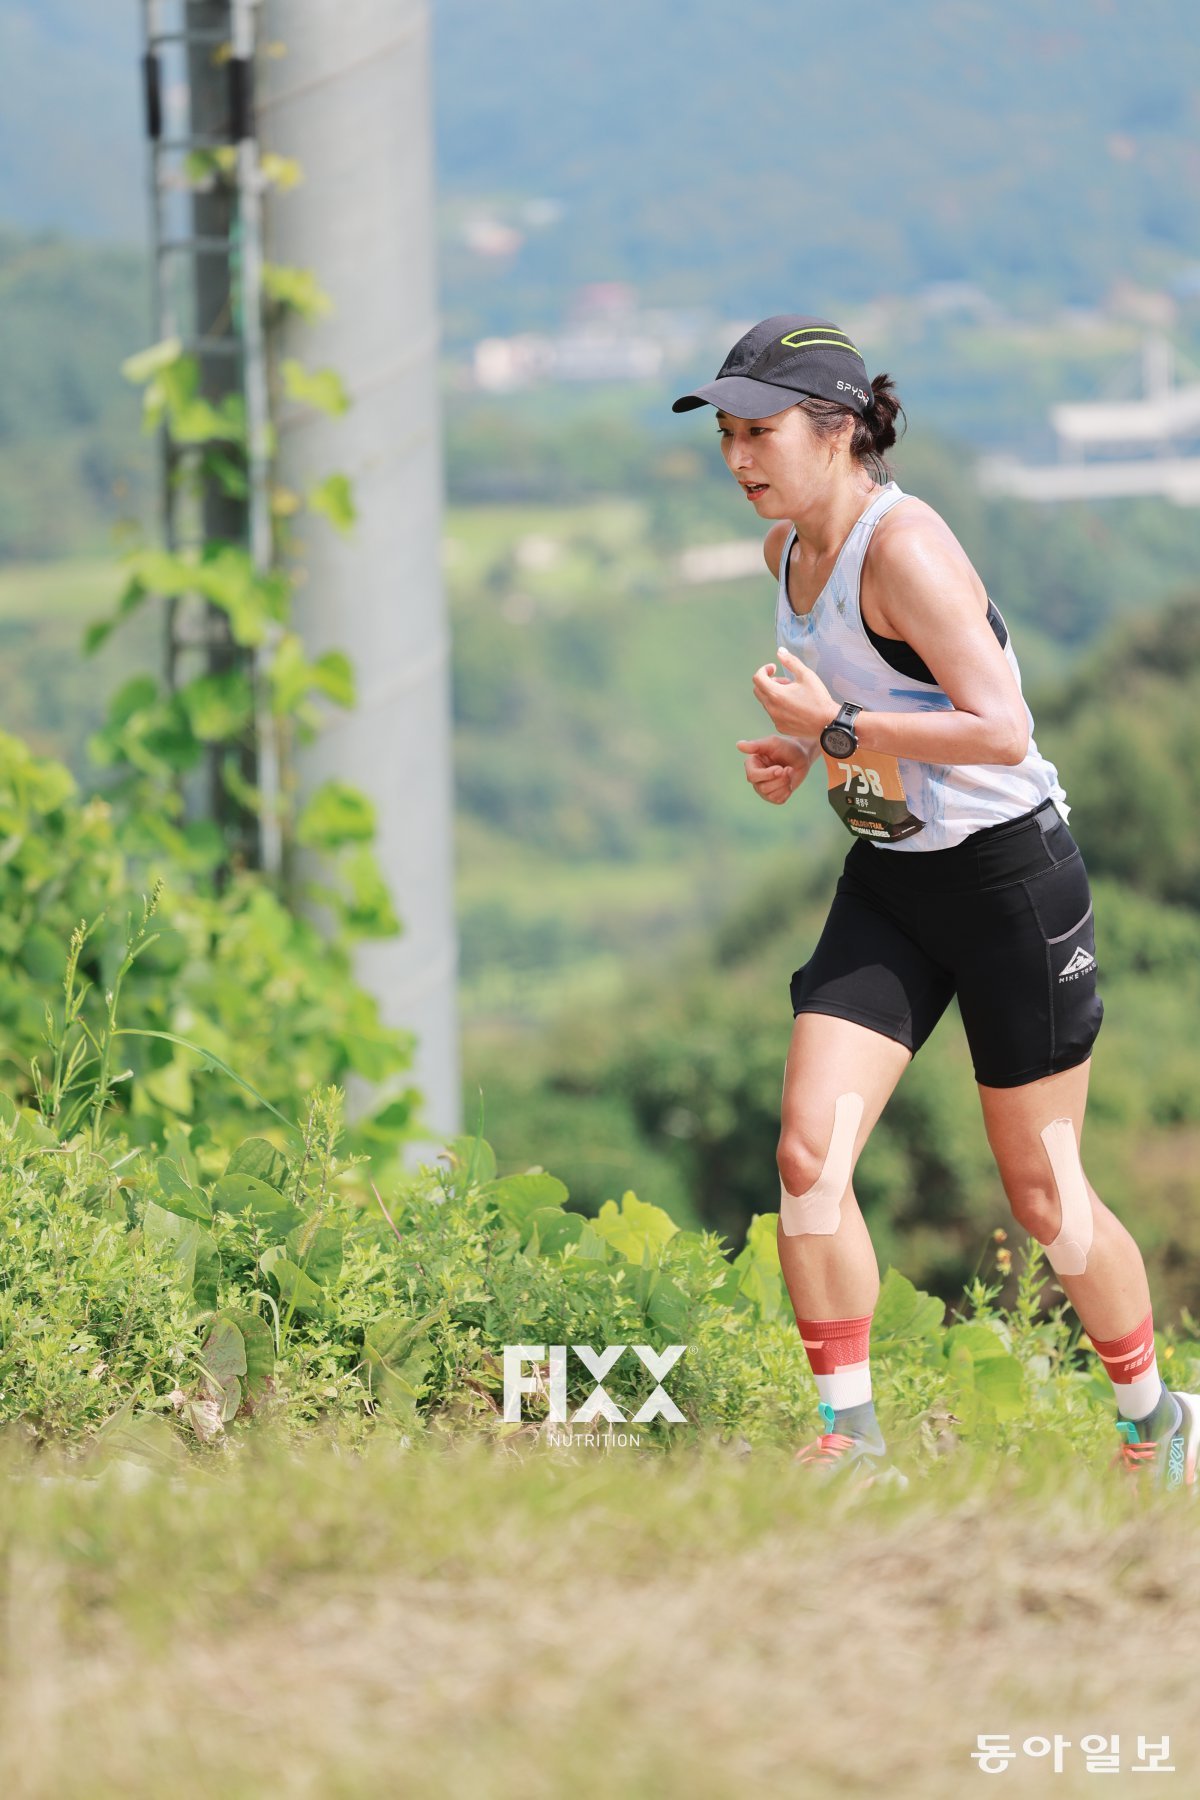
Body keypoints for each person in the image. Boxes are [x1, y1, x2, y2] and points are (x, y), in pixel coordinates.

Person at [671, 315, 1198, 1489]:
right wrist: (804, 759)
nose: (741, 458)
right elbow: (866, 711)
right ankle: (849, 1444)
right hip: (894, 885)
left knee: (1046, 1196)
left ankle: (1156, 1421)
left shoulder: (902, 549)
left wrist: (838, 731)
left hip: (1013, 882)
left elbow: (1001, 726)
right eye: (727, 437)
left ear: (841, 430)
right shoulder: (786, 557)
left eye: (761, 432)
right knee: (809, 1152)